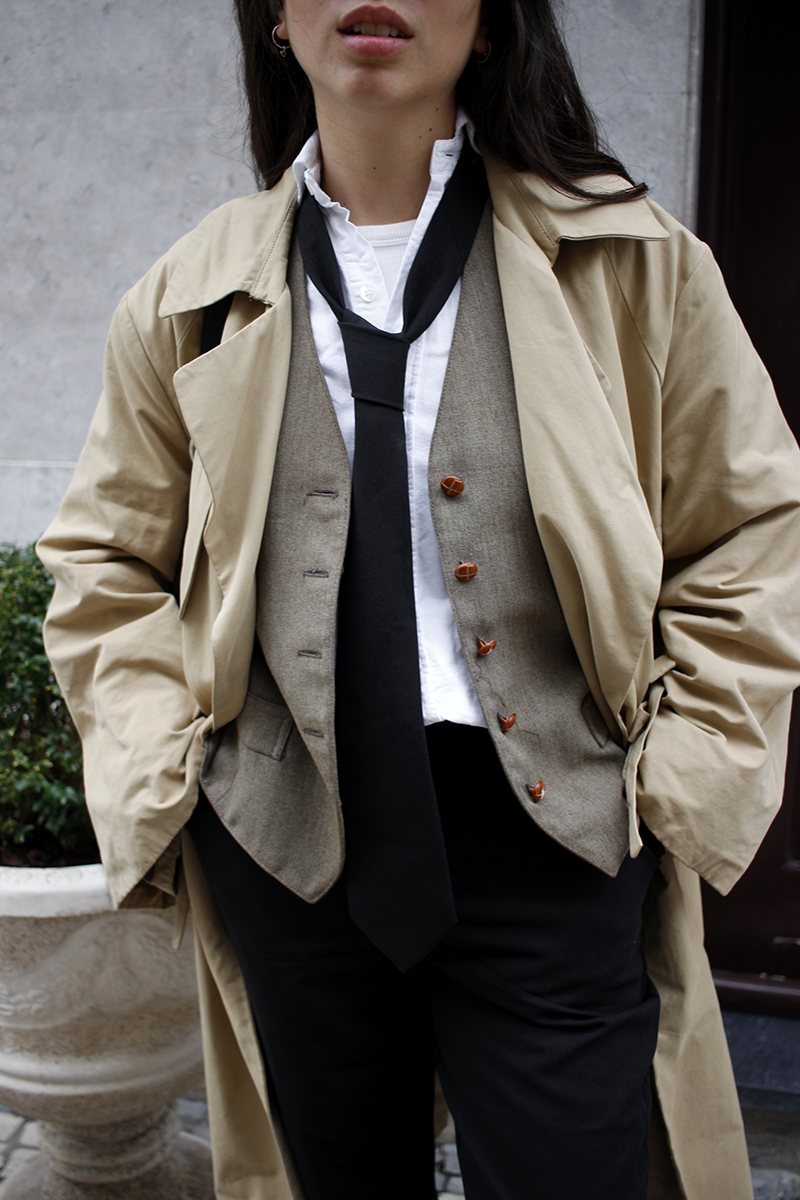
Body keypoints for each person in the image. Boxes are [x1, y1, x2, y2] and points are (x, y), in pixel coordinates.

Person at [37, 2, 800, 1198]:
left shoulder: (634, 263)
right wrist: (166, 770)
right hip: (288, 840)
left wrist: (683, 777)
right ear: (275, 20)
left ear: (489, 26)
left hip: (554, 834)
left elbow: (744, 527)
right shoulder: (188, 294)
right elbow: (104, 561)